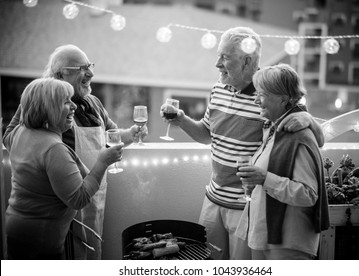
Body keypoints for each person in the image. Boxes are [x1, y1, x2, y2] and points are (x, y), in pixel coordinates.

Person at [160, 27, 325, 260]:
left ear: (247, 61)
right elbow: (207, 134)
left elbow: (312, 132)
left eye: (225, 57)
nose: (217, 64)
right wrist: (181, 120)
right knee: (203, 263)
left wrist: (307, 117)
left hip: (246, 207)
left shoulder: (269, 93)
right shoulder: (218, 88)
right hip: (213, 198)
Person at [3, 44, 147, 260]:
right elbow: (11, 137)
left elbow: (112, 134)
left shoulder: (94, 102)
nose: (90, 73)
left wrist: (131, 133)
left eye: (89, 66)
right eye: (81, 68)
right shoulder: (44, 108)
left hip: (95, 195)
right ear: (60, 75)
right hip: (63, 207)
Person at [235, 64, 330, 260]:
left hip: (288, 245)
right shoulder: (274, 128)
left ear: (283, 98)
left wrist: (264, 178)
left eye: (261, 95)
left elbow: (308, 194)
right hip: (266, 236)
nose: (256, 100)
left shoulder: (298, 136)